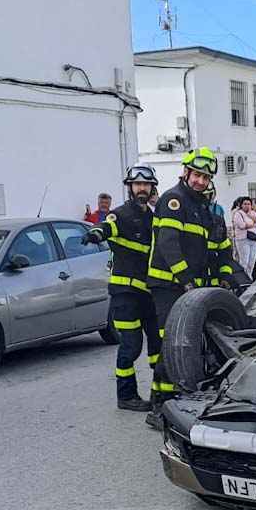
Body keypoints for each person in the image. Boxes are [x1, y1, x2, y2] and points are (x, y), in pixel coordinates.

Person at [146, 147, 220, 425]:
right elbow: (168, 244)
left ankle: (171, 400)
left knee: (183, 343)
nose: (201, 181)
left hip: (187, 286)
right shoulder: (173, 200)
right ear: (186, 172)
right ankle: (158, 408)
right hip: (168, 285)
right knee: (171, 342)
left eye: (206, 177)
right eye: (197, 175)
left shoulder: (199, 206)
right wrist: (186, 279)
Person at [84, 167, 161, 413]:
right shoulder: (120, 214)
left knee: (157, 345)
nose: (141, 189)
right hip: (125, 295)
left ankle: (160, 393)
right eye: (137, 185)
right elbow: (106, 227)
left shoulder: (153, 217)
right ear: (129, 187)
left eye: (146, 185)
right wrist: (95, 233)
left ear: (152, 188)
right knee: (131, 345)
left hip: (149, 294)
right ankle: (126, 396)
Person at [231, 196, 256, 276]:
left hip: (254, 240)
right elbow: (242, 225)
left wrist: (252, 221)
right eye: (245, 204)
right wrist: (253, 224)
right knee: (244, 261)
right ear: (241, 205)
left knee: (251, 262)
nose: (247, 205)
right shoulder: (238, 214)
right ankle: (243, 279)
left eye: (249, 204)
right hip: (243, 240)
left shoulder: (253, 213)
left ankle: (249, 278)